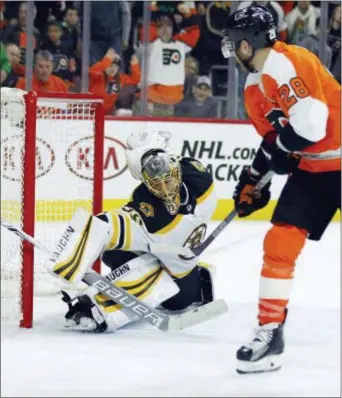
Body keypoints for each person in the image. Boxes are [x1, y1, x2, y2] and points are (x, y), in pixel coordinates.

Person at [221, 4, 341, 374]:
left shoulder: (288, 62)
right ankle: (270, 331)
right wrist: (251, 182)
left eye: (235, 42)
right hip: (314, 169)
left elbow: (312, 126)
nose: (231, 49)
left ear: (250, 42)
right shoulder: (254, 85)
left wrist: (284, 151)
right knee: (279, 243)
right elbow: (276, 141)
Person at [61, 131, 217, 333]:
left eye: (168, 181)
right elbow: (120, 222)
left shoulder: (199, 181)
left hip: (179, 274)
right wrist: (90, 232)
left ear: (177, 173)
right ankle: (104, 304)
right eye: (156, 185)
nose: (165, 190)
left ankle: (106, 308)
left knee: (175, 301)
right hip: (163, 253)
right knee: (113, 252)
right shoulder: (148, 205)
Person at [88, 48, 141, 115]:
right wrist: (107, 60)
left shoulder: (120, 78)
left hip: (108, 114)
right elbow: (91, 71)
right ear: (105, 64)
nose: (112, 69)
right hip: (91, 113)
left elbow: (135, 80)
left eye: (115, 66)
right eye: (110, 65)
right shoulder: (98, 75)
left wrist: (135, 65)